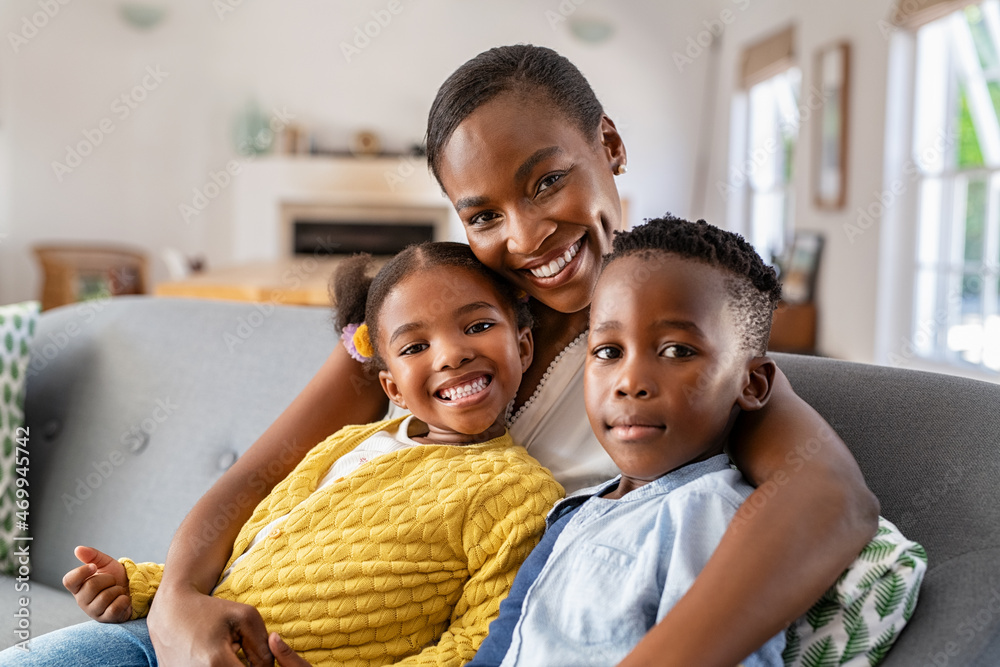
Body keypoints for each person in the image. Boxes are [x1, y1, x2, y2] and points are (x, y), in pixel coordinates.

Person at [147, 45, 884, 667]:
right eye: (485, 215)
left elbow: (832, 499)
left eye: (548, 180)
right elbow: (260, 471)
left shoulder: (680, 338)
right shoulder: (440, 318)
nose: (528, 236)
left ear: (611, 146)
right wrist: (175, 603)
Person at [4, 243, 563, 666]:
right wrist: (143, 585)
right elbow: (257, 559)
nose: (452, 354)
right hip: (157, 646)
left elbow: (476, 646)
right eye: (417, 346)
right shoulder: (350, 443)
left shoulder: (520, 493)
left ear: (523, 343)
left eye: (479, 325)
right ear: (390, 387)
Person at [467, 216, 926, 667]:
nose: (630, 381)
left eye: (676, 351)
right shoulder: (578, 508)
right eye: (608, 352)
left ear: (753, 385)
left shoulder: (704, 514)